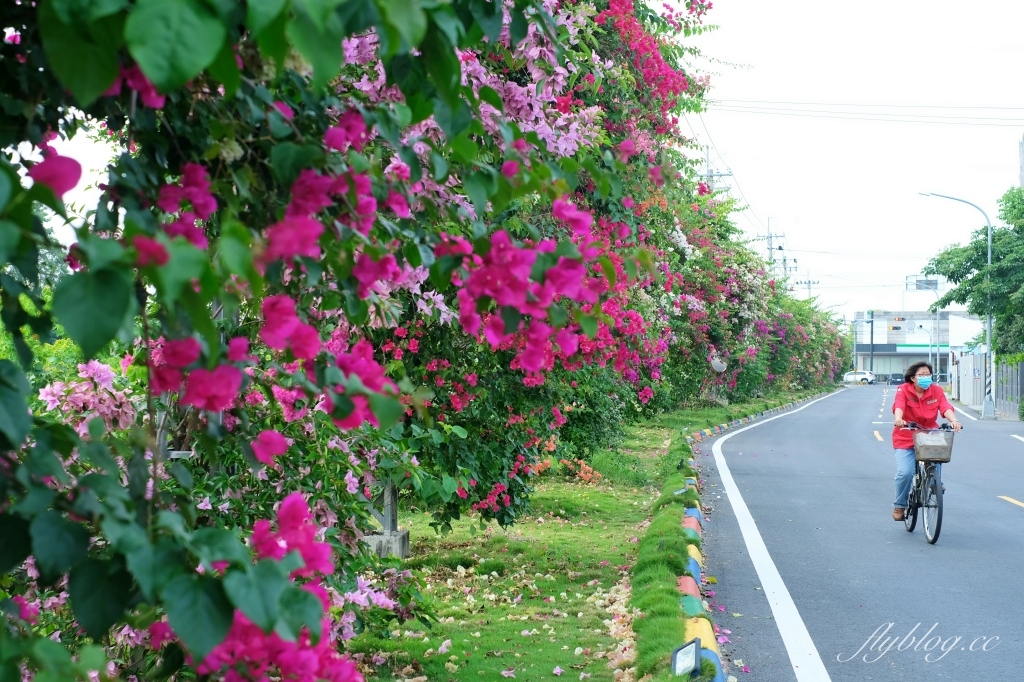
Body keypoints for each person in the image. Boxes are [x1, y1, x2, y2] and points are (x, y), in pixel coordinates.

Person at [891, 361, 962, 521]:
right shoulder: (903, 389)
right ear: (913, 378)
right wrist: (898, 419)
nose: (925, 377)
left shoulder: (936, 390)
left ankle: (934, 482)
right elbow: (899, 405)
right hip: (906, 435)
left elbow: (945, 407)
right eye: (921, 375)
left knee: (938, 455)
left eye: (928, 374)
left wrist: (954, 420)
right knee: (906, 472)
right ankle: (900, 506)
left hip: (929, 434)